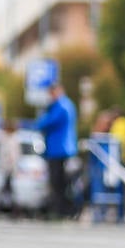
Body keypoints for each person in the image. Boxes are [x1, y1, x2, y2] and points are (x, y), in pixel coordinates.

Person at [34, 82, 78, 219]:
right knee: (60, 182)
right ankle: (62, 209)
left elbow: (44, 123)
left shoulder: (61, 106)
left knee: (58, 182)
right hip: (59, 149)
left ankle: (62, 210)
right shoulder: (65, 105)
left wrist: (43, 115)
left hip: (60, 150)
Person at [107, 107, 125, 224]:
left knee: (119, 189)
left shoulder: (120, 124)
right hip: (123, 159)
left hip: (119, 160)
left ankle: (121, 214)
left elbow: (117, 140)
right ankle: (121, 213)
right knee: (121, 189)